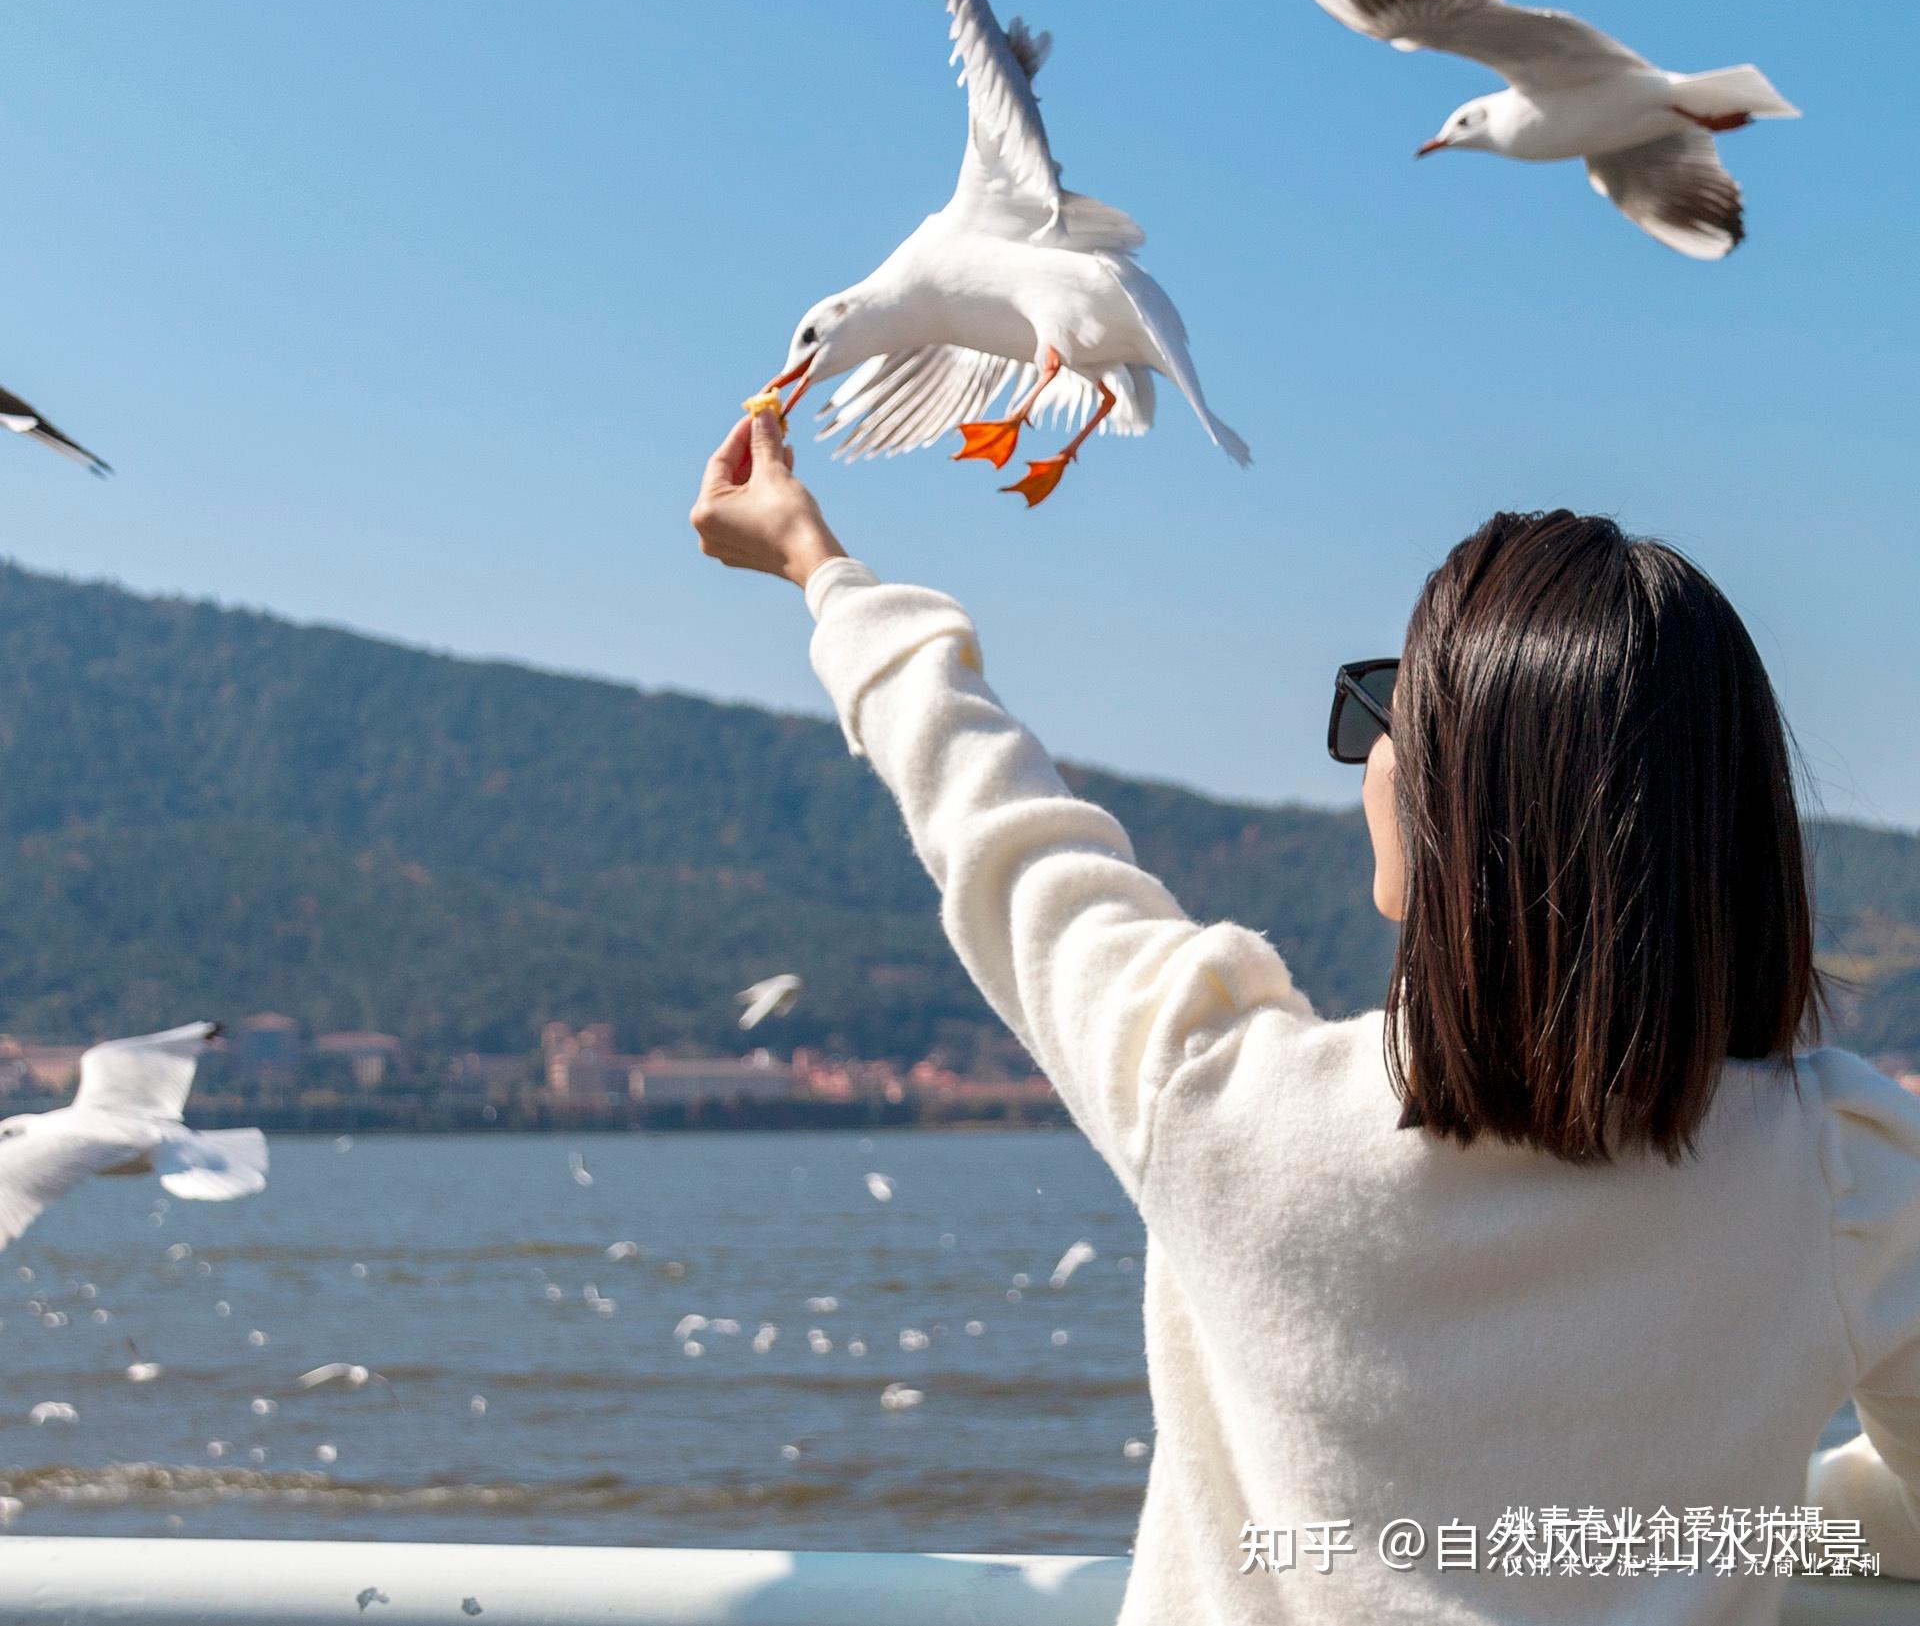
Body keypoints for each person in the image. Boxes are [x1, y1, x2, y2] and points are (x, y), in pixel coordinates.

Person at [692, 407, 1920, 1624]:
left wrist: (820, 566)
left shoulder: (1213, 1097)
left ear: (1463, 794)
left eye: (1392, 705)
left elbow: (997, 826)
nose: (1370, 750)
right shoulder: (1842, 1175)